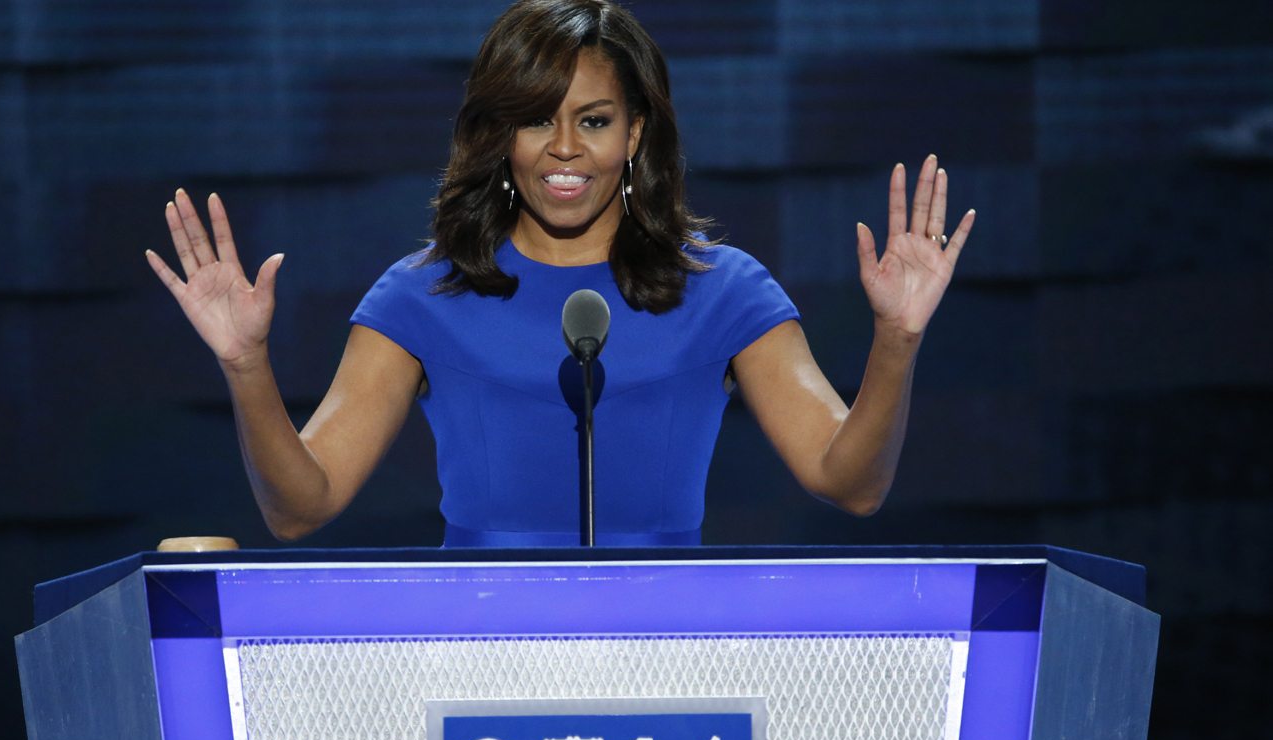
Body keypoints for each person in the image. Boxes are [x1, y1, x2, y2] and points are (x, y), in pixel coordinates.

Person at [145, 0, 975, 547]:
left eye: (595, 120)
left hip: (667, 666)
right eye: (537, 120)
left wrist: (897, 342)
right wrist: (246, 366)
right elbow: (301, 506)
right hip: (475, 669)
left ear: (637, 134)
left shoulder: (723, 290)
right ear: (501, 135)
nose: (567, 148)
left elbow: (850, 482)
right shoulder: (423, 296)